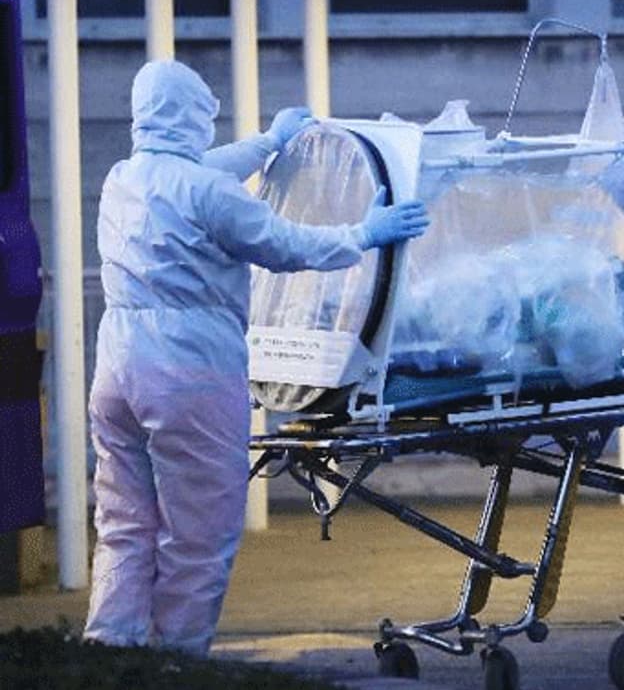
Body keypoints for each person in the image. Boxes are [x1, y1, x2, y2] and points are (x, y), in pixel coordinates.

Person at [83, 60, 429, 656]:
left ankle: (110, 650)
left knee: (124, 522)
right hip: (187, 369)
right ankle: (176, 661)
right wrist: (364, 233)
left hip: (115, 367)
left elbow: (199, 173)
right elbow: (285, 244)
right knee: (199, 529)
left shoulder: (125, 178)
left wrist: (269, 142)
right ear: (194, 115)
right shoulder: (208, 192)